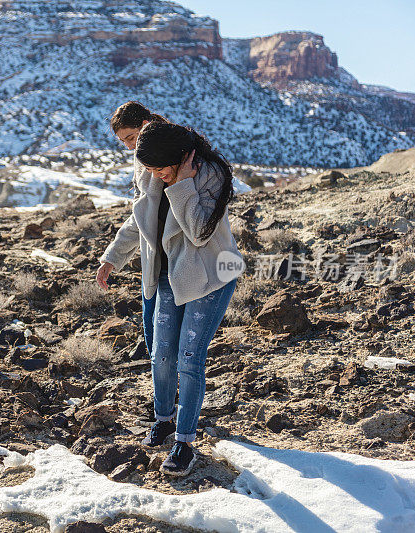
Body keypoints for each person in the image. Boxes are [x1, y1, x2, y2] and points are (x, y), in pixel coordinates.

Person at [96, 121, 244, 477]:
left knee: (189, 359)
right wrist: (112, 258)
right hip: (168, 277)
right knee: (162, 354)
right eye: (148, 169)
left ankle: (185, 442)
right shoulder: (153, 175)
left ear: (180, 157)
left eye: (159, 168)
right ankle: (163, 419)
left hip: (209, 277)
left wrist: (182, 184)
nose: (155, 175)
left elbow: (197, 231)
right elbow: (139, 222)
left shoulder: (209, 176)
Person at [109, 102, 169, 357]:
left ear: (145, 125)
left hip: (177, 261)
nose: (129, 146)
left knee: (165, 343)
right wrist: (112, 258)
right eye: (124, 142)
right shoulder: (141, 158)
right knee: (153, 334)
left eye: (131, 137)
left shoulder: (170, 151)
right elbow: (140, 213)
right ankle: (163, 396)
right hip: (154, 260)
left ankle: (175, 395)